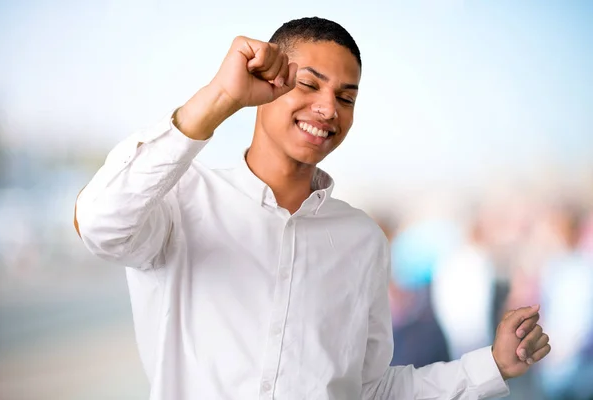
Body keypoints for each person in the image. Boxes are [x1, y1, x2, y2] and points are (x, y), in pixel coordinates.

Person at [74, 17, 550, 400]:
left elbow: (369, 389)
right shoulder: (181, 201)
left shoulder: (362, 240)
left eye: (346, 97)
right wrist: (221, 97)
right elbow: (100, 224)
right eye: (309, 85)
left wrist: (492, 364)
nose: (329, 109)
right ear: (263, 85)